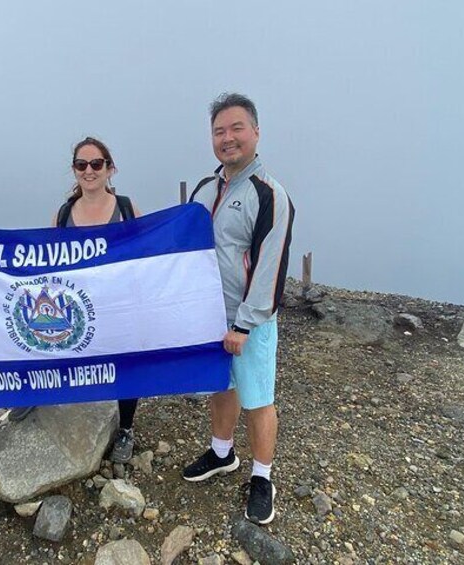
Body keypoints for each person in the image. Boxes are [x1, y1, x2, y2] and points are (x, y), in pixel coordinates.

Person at [183, 93, 295, 525]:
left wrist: (245, 325)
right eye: (219, 131)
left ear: (255, 132)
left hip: (250, 321)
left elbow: (270, 266)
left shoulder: (269, 194)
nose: (227, 138)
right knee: (222, 386)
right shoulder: (205, 188)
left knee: (258, 398)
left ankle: (262, 477)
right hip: (210, 314)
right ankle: (221, 452)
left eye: (236, 129)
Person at [55, 137, 142, 463]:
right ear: (74, 170)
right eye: (81, 165)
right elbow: (48, 263)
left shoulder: (126, 209)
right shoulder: (64, 214)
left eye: (96, 164)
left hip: (119, 306)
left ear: (110, 168)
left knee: (126, 367)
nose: (89, 170)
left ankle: (126, 428)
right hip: (79, 310)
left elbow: (147, 255)